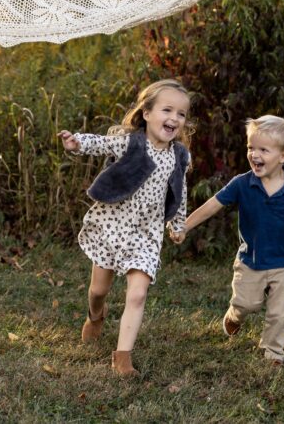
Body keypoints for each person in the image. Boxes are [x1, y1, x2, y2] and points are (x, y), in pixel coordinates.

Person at [57, 79, 191, 378]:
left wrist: (178, 223)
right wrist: (77, 143)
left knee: (138, 294)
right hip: (112, 225)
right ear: (147, 113)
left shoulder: (180, 155)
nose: (174, 118)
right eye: (167, 110)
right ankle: (96, 314)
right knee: (98, 290)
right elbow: (100, 143)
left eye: (181, 114)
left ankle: (122, 357)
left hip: (146, 234)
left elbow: (180, 190)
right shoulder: (130, 142)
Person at [179, 115, 284, 365]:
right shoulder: (242, 184)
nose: (254, 154)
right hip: (251, 259)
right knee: (247, 303)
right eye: (251, 147)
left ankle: (273, 352)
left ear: (283, 156)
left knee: (280, 313)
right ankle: (234, 315)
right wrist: (185, 225)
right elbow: (213, 205)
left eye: (264, 150)